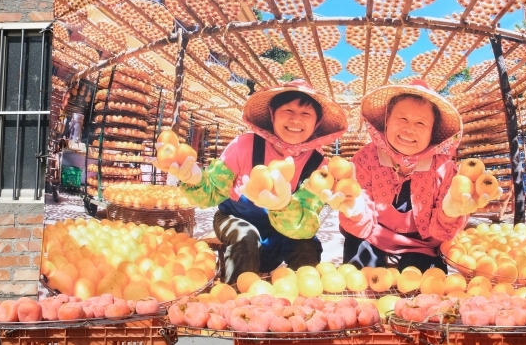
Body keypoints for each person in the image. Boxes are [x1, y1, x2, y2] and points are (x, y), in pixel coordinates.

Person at [165, 81, 346, 284]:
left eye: (306, 114)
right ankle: (238, 298)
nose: (296, 119)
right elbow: (212, 193)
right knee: (245, 236)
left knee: (307, 246)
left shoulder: (318, 166)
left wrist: (283, 207)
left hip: (284, 231)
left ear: (317, 123)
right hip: (234, 218)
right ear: (272, 114)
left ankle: (303, 305)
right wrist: (195, 180)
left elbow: (306, 223)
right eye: (288, 110)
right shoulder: (244, 145)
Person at [339, 80, 477, 271]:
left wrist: (451, 212)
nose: (409, 129)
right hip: (372, 235)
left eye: (421, 123)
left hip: (421, 246)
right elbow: (360, 212)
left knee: (423, 290)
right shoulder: (365, 159)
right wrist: (354, 208)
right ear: (387, 121)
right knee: (358, 278)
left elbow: (443, 228)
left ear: (432, 133)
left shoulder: (444, 169)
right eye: (402, 119)